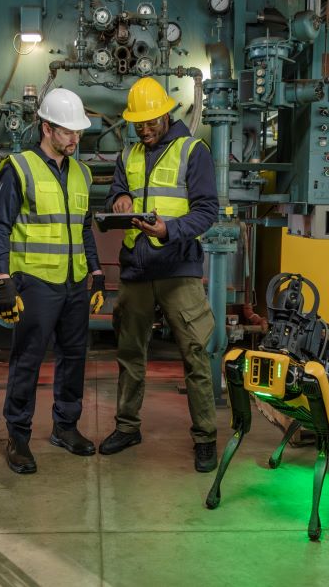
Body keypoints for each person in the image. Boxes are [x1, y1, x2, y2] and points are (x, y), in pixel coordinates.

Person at [99, 77, 220, 472]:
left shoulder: (193, 151)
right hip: (136, 269)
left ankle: (205, 436)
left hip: (178, 269)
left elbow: (207, 211)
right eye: (139, 124)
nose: (146, 130)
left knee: (195, 353)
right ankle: (127, 426)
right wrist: (118, 198)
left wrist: (170, 230)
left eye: (151, 122)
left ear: (167, 113)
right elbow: (118, 190)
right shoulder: (128, 155)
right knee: (131, 353)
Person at [0, 88, 106, 474]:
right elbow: (0, 227)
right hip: (35, 283)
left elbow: (84, 229)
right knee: (28, 360)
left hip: (74, 285)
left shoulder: (82, 173)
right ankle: (18, 436)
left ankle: (65, 427)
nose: (75, 139)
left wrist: (97, 272)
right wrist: (2, 277)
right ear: (46, 127)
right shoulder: (18, 167)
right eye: (68, 132)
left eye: (78, 133)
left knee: (74, 358)